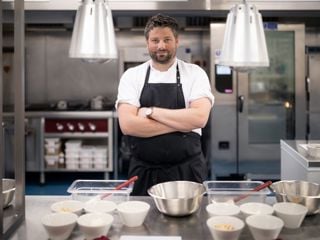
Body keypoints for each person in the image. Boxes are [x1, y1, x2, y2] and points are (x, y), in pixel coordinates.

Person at [115, 13, 214, 195]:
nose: (161, 46)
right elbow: (128, 125)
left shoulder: (195, 73)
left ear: (177, 41)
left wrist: (150, 112)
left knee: (191, 223)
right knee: (142, 222)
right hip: (144, 172)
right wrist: (182, 125)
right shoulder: (132, 76)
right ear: (147, 43)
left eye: (167, 39)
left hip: (187, 172)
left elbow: (199, 118)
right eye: (155, 40)